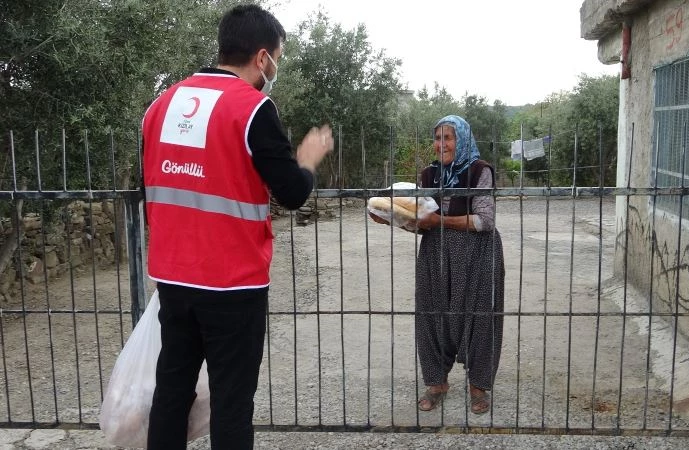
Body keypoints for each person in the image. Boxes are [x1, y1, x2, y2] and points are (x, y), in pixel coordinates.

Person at [141, 5, 332, 449]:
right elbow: (292, 192)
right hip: (232, 281)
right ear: (262, 57)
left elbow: (150, 186)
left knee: (171, 389)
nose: (276, 67)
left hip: (172, 276)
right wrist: (306, 159)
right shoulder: (253, 108)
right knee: (231, 401)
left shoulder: (160, 105)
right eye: (278, 56)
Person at [371, 115, 505, 415]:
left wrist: (438, 221)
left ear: (462, 140)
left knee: (480, 317)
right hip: (436, 254)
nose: (441, 144)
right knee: (432, 317)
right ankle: (436, 382)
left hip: (478, 254)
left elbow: (485, 220)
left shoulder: (479, 171)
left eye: (448, 138)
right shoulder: (429, 175)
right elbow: (421, 223)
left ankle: (478, 386)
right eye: (437, 138)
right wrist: (391, 218)